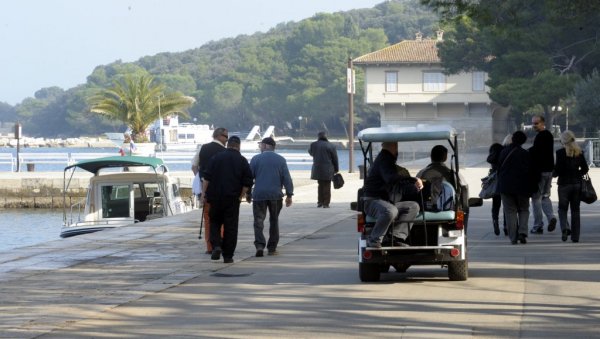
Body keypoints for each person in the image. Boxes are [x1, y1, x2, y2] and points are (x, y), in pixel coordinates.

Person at [201, 136, 253, 263]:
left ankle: (216, 245)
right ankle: (228, 255)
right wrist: (241, 194)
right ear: (239, 146)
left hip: (215, 198)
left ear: (228, 145)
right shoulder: (242, 160)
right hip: (232, 199)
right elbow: (248, 182)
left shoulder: (216, 158)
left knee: (214, 222)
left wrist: (203, 194)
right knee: (231, 226)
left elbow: (206, 178)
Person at [363, 141, 423, 248]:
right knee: (390, 211)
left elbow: (395, 182)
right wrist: (413, 179)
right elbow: (390, 178)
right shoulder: (384, 159)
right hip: (373, 201)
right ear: (394, 146)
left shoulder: (387, 160)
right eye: (397, 146)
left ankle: (395, 237)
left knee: (413, 206)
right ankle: (374, 239)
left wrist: (412, 187)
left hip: (386, 202)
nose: (397, 150)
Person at [249, 137, 294, 257]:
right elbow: (287, 178)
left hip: (259, 195)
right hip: (275, 195)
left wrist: (248, 193)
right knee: (274, 221)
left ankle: (259, 245)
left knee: (258, 221)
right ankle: (272, 248)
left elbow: (249, 178)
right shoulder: (281, 160)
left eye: (260, 145)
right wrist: (289, 194)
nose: (260, 147)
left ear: (265, 145)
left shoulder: (255, 159)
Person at [416, 145, 470, 229]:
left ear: (431, 156)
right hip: (447, 209)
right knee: (462, 211)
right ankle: (463, 230)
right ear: (445, 157)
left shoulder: (421, 173)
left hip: (424, 209)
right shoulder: (453, 174)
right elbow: (464, 188)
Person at [496, 131, 533, 245]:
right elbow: (530, 171)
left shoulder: (503, 152)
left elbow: (498, 168)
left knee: (510, 211)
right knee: (524, 209)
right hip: (522, 186)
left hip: (506, 186)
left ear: (512, 139)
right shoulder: (525, 154)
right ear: (523, 141)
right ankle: (522, 232)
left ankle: (513, 237)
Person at [197, 127, 229, 254]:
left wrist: (199, 181)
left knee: (208, 218)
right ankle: (220, 243)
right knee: (222, 219)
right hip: (221, 190)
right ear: (218, 136)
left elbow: (195, 165)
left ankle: (210, 246)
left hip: (207, 189)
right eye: (225, 137)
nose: (227, 139)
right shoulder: (224, 151)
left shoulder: (203, 148)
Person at [553, 130, 589, 243]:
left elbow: (557, 170)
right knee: (575, 210)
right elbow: (585, 169)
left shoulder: (559, 153)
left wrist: (554, 174)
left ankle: (565, 228)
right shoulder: (579, 152)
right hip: (577, 184)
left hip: (564, 184)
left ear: (563, 141)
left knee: (562, 209)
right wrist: (577, 174)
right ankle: (575, 236)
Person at [529, 115, 557, 234]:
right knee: (545, 196)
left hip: (540, 172)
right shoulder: (549, 135)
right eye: (533, 123)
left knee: (536, 199)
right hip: (549, 171)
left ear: (543, 123)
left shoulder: (540, 136)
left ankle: (538, 225)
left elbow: (536, 152)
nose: (534, 125)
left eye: (536, 123)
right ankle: (551, 217)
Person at [308, 131, 339, 208]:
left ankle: (320, 202)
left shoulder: (313, 145)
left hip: (317, 168)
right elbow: (335, 158)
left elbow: (311, 153)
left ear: (318, 136)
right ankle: (326, 203)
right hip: (328, 168)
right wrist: (336, 168)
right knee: (327, 186)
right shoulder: (331, 145)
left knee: (320, 185)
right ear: (326, 137)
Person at [487, 142, 505, 235]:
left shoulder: (492, 158)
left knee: (496, 205)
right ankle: (506, 226)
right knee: (507, 205)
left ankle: (495, 222)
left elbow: (488, 159)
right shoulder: (504, 156)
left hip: (495, 184)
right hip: (504, 182)